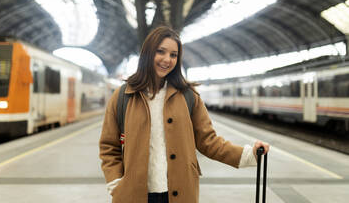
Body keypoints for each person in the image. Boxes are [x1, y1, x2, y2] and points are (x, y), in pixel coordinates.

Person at [99, 26, 270, 203]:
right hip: (133, 194)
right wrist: (115, 182)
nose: (167, 59)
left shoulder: (189, 96)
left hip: (180, 192)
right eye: (161, 52)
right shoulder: (123, 96)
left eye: (173, 55)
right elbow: (108, 146)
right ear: (148, 53)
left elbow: (208, 141)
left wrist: (250, 154)